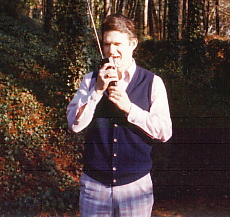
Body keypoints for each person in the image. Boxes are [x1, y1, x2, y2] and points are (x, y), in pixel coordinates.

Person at [67, 14, 172, 217]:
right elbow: (75, 124)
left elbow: (164, 131)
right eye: (107, 44)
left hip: (136, 187)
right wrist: (97, 91)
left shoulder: (152, 82)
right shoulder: (90, 81)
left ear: (133, 44)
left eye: (118, 44)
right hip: (94, 186)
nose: (111, 51)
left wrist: (130, 109)